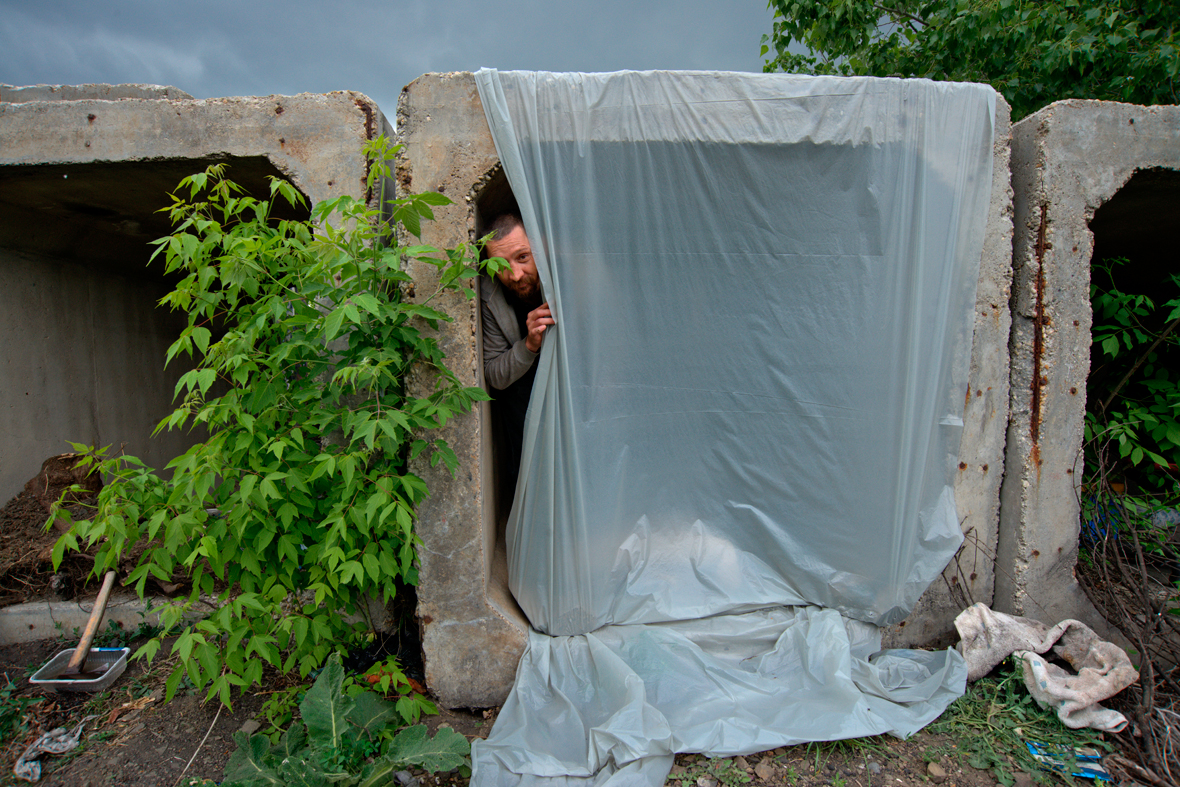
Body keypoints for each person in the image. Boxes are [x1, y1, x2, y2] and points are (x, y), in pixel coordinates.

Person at [480, 213, 555, 493]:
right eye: (501, 265)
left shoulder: (571, 274)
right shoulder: (491, 294)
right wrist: (529, 346)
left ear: (541, 247)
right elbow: (494, 375)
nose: (515, 275)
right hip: (524, 397)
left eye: (523, 257)